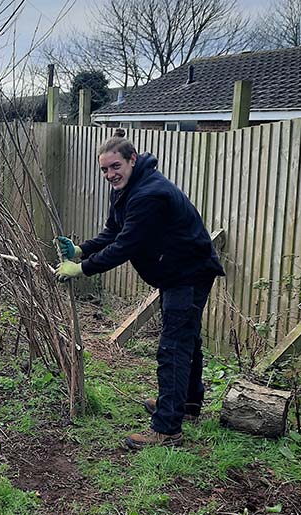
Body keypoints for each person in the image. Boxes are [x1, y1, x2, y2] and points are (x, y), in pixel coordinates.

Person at [54, 129, 224, 450]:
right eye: (104, 169)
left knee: (173, 346)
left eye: (115, 166)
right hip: (177, 270)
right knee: (187, 338)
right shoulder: (126, 190)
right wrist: (80, 250)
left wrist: (81, 269)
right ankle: (187, 402)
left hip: (188, 272)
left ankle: (167, 429)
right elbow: (113, 232)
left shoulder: (149, 195)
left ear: (132, 160)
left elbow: (124, 246)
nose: (109, 174)